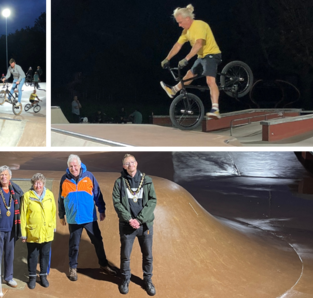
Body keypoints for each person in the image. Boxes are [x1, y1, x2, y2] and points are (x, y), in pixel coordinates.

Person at [159, 4, 222, 119]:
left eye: (180, 22)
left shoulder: (199, 25)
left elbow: (199, 44)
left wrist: (186, 59)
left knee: (210, 80)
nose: (179, 25)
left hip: (212, 54)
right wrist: (167, 58)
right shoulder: (186, 32)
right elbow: (178, 45)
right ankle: (173, 90)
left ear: (188, 19)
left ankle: (215, 109)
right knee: (189, 74)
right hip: (201, 56)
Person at [59, 154, 115, 282]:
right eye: (71, 166)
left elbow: (97, 194)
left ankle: (104, 264)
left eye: (75, 166)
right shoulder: (64, 179)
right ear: (68, 167)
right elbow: (60, 199)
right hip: (74, 219)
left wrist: (102, 210)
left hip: (89, 217)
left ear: (80, 165)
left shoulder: (89, 176)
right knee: (74, 245)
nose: (73, 168)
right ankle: (73, 268)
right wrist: (61, 215)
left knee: (98, 242)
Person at [112, 154, 157, 296]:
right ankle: (125, 279)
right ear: (124, 167)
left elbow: (152, 201)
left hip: (145, 226)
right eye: (127, 164)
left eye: (132, 162)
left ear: (136, 164)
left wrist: (140, 219)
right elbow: (117, 203)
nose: (130, 165)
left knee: (148, 255)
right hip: (127, 226)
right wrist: (129, 219)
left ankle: (147, 280)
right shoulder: (119, 183)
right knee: (125, 255)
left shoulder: (147, 181)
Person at [21, 173, 56, 289]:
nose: (38, 185)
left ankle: (43, 276)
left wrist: (53, 227)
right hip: (32, 232)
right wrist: (23, 234)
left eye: (40, 183)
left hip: (47, 231)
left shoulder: (50, 195)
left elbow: (53, 212)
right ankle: (32, 277)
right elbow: (23, 215)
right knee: (32, 255)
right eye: (35, 183)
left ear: (43, 183)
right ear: (33, 184)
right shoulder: (27, 196)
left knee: (45, 255)